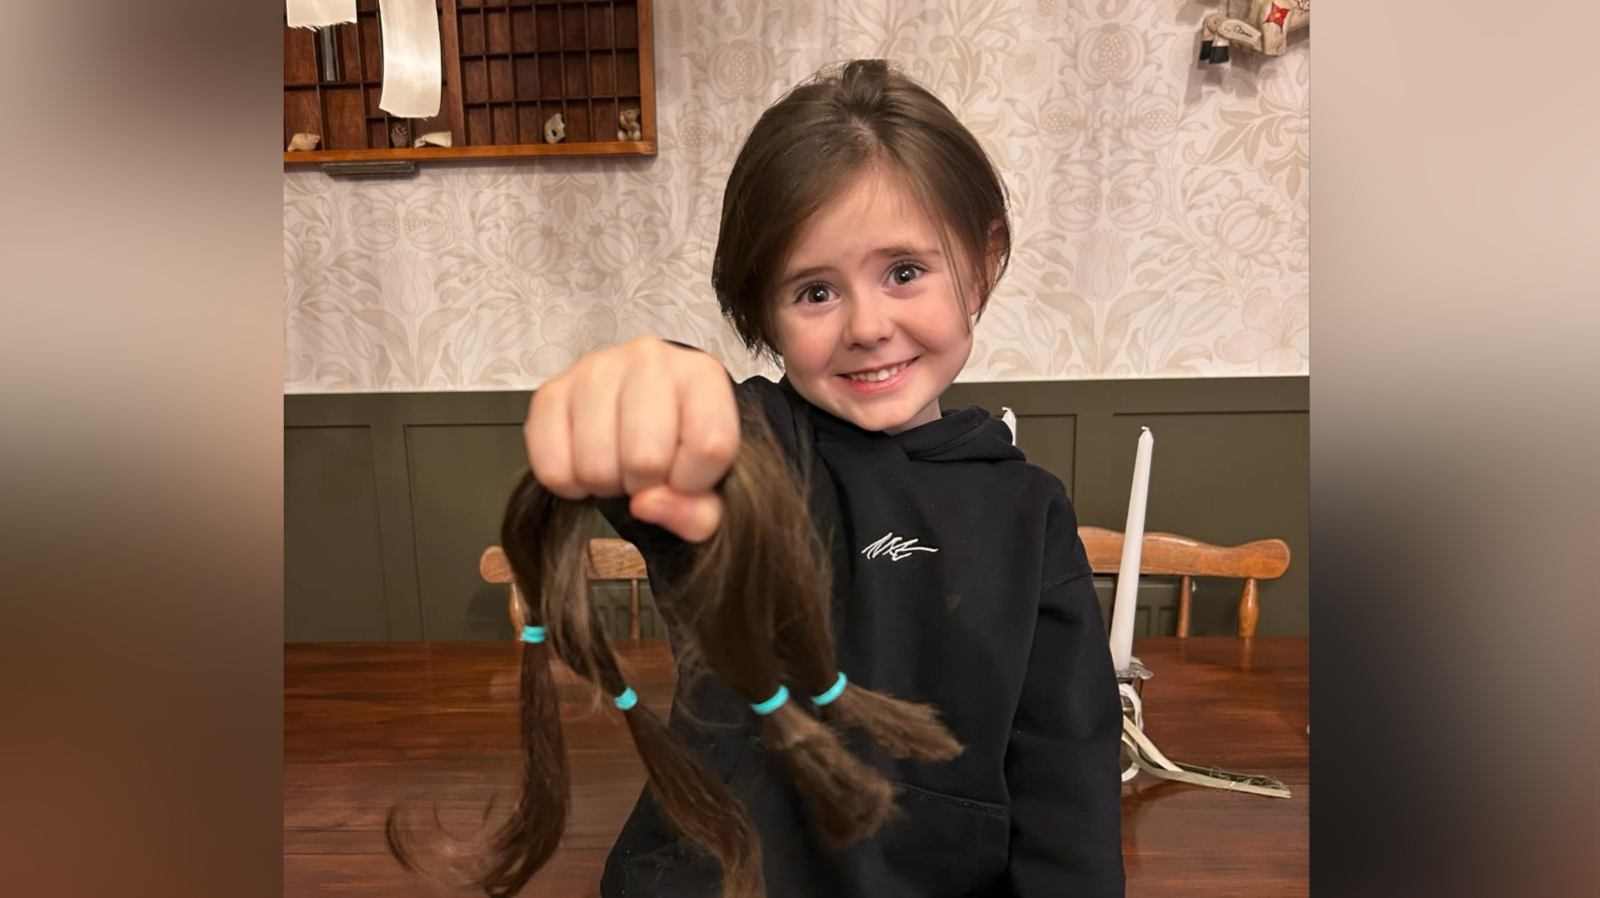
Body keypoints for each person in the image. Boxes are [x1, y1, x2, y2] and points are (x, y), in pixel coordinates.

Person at [523, 58, 1125, 898]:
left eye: (905, 272)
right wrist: (649, 387)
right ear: (761, 312)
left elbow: (1069, 786)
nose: (869, 326)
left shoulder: (1030, 514)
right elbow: (681, 441)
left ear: (981, 262)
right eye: (815, 292)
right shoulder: (755, 454)